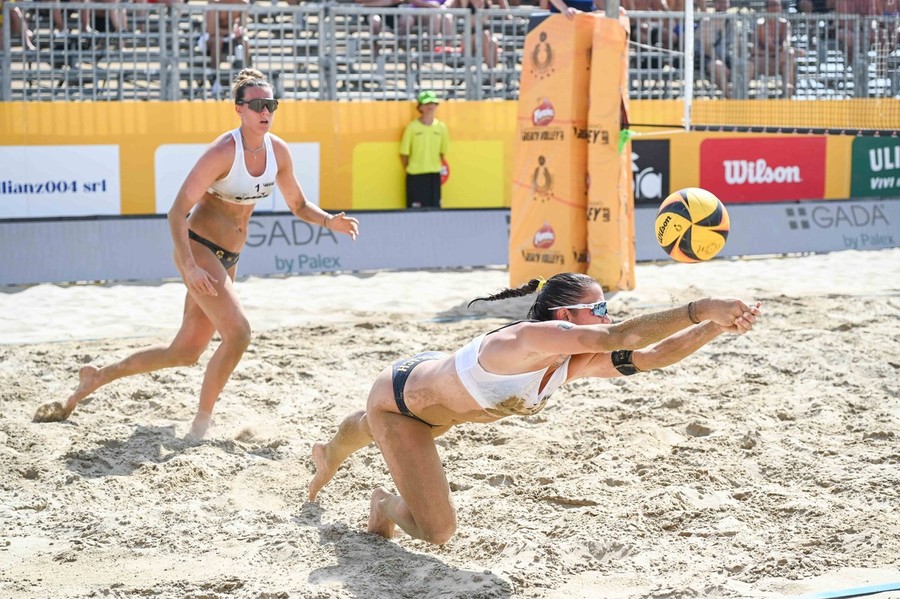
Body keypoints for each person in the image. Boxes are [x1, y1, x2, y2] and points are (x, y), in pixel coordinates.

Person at [308, 273, 762, 545]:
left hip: (434, 397)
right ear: (563, 317)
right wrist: (702, 307)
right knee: (438, 531)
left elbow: (652, 356)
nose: (607, 316)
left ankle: (330, 455)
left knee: (376, 428)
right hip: (402, 402)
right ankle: (379, 500)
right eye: (599, 308)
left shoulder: (569, 359)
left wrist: (717, 327)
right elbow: (620, 337)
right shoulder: (530, 337)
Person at [33, 69, 360, 440]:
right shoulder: (224, 151)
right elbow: (176, 212)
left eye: (271, 104)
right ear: (239, 109)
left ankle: (97, 376)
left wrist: (328, 220)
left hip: (228, 257)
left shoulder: (278, 152)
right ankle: (201, 424)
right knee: (238, 334)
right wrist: (188, 266)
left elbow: (299, 204)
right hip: (199, 249)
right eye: (257, 105)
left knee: (185, 351)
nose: (265, 111)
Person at [400, 91, 450, 209]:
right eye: (427, 103)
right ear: (420, 106)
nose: (431, 106)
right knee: (415, 210)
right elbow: (404, 154)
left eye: (433, 103)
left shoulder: (441, 127)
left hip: (433, 175)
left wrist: (432, 165)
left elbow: (442, 153)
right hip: (415, 174)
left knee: (434, 209)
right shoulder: (412, 127)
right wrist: (412, 167)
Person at [752, 0, 796, 96]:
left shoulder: (785, 24)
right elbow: (768, 45)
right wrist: (779, 51)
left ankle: (788, 92)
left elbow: (786, 42)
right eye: (772, 5)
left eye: (777, 5)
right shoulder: (760, 24)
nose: (775, 8)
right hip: (762, 60)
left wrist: (784, 49)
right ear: (766, 8)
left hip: (780, 60)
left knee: (790, 53)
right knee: (789, 54)